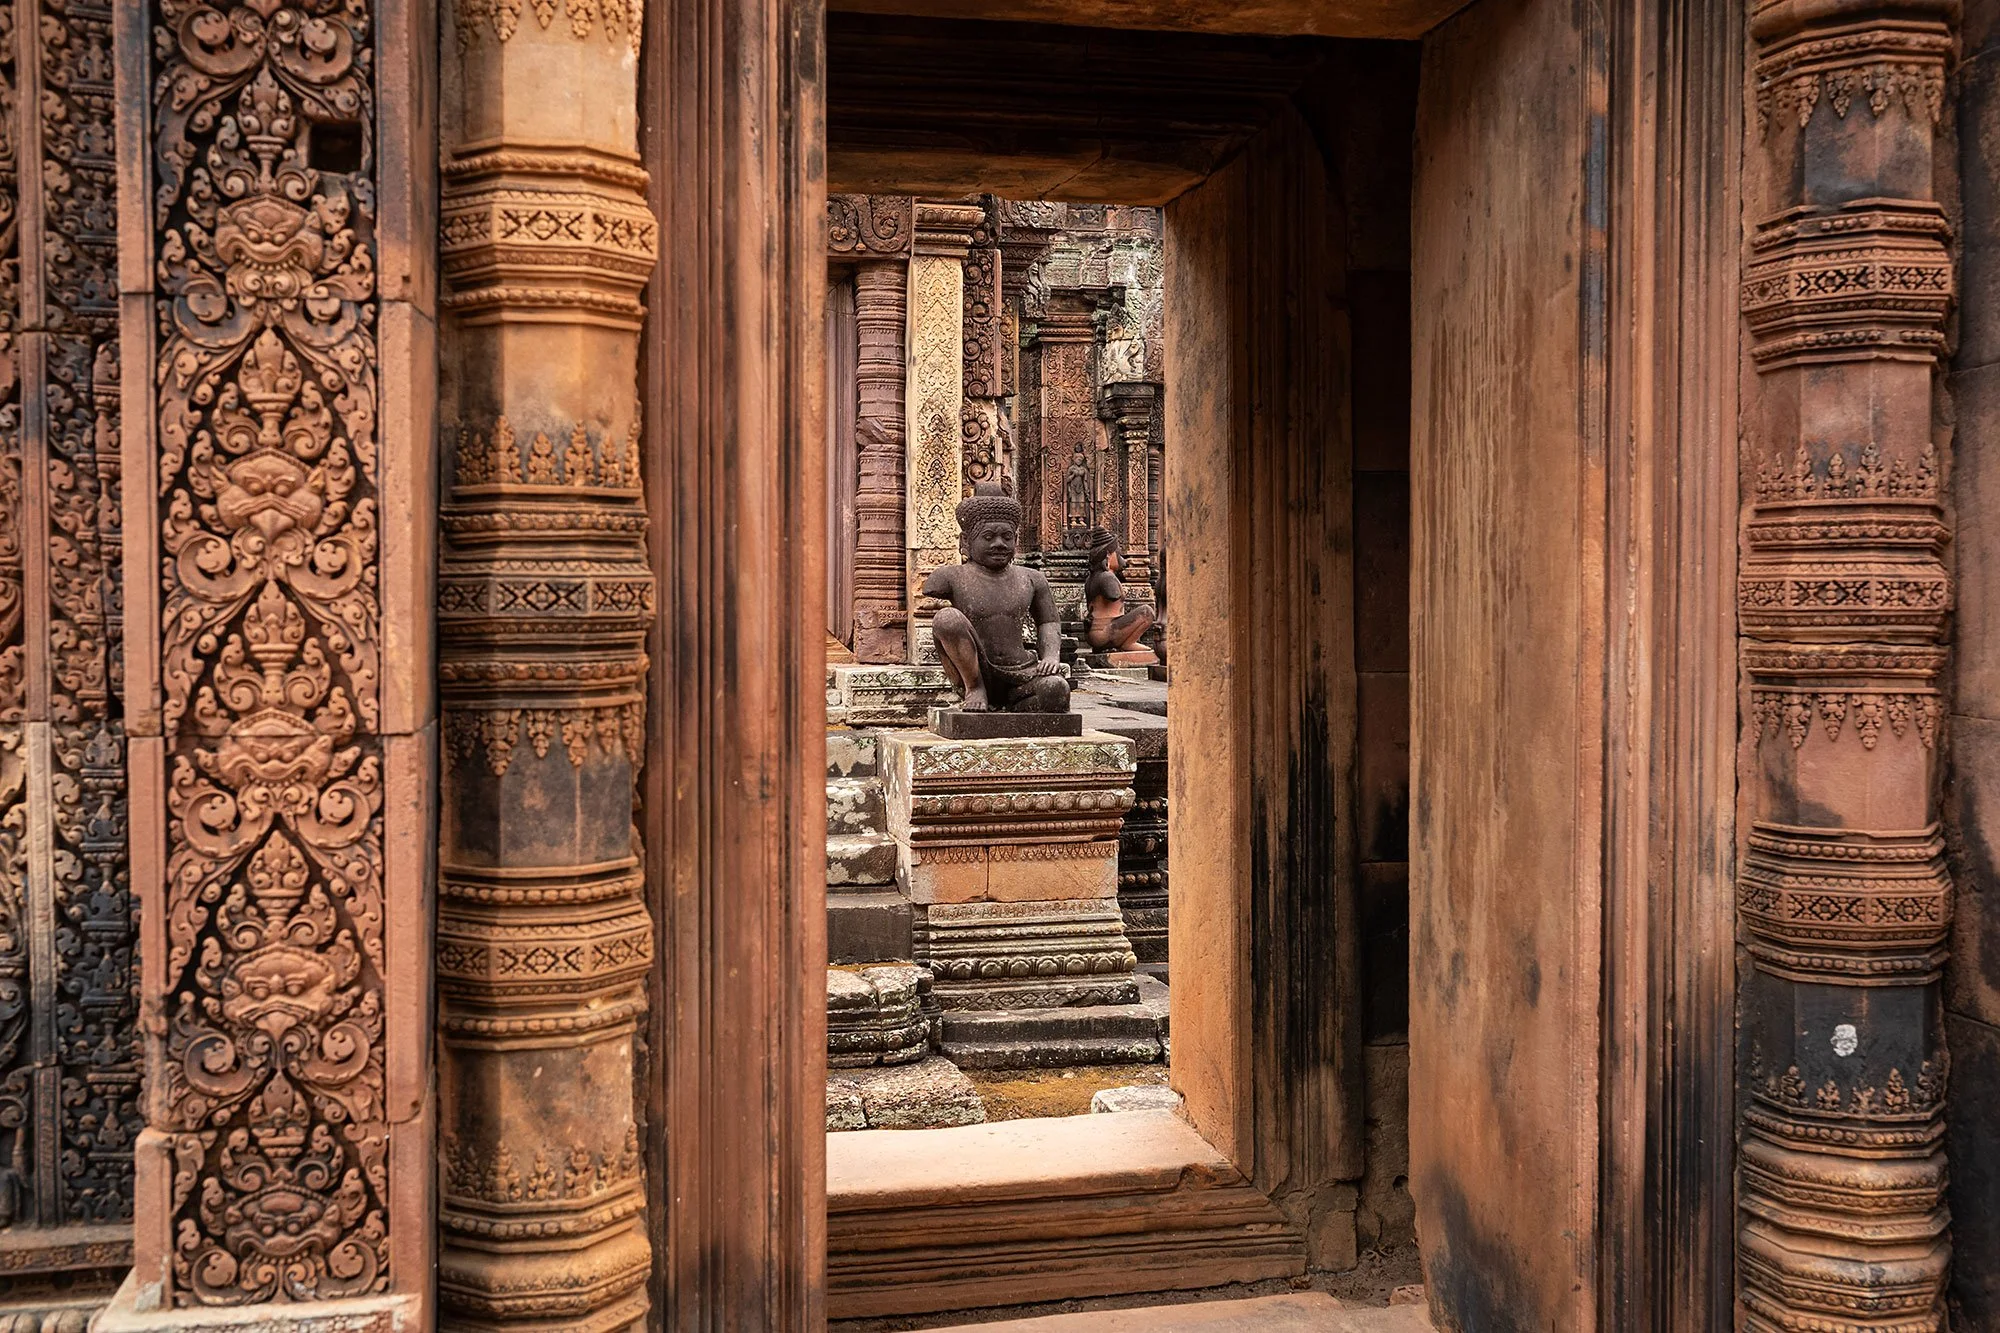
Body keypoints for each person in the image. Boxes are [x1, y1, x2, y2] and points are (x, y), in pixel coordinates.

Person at [923, 485, 1070, 713]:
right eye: (988, 537)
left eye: (1007, 537)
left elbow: (1048, 621)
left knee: (1057, 689)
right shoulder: (949, 577)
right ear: (966, 541)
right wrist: (974, 682)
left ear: (1016, 539)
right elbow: (944, 621)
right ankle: (975, 689)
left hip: (1022, 671)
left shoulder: (1032, 579)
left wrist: (1050, 655)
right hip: (975, 670)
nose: (999, 544)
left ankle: (1012, 707)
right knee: (946, 618)